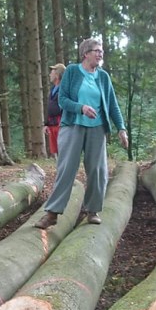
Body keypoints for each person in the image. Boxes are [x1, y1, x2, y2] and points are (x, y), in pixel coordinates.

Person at [34, 38, 128, 229]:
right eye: (97, 50)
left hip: (97, 128)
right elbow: (62, 100)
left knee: (98, 170)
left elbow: (112, 105)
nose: (100, 54)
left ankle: (92, 210)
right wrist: (81, 108)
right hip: (72, 126)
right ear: (86, 53)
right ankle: (52, 213)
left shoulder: (103, 77)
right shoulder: (72, 71)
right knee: (67, 168)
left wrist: (121, 128)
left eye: (102, 51)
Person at [43, 64, 65, 158]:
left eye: (51, 72)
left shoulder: (64, 89)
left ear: (57, 75)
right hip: (52, 125)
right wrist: (46, 124)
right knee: (55, 150)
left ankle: (65, 171)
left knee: (63, 149)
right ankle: (60, 171)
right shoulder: (52, 90)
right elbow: (50, 108)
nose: (49, 75)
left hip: (61, 124)